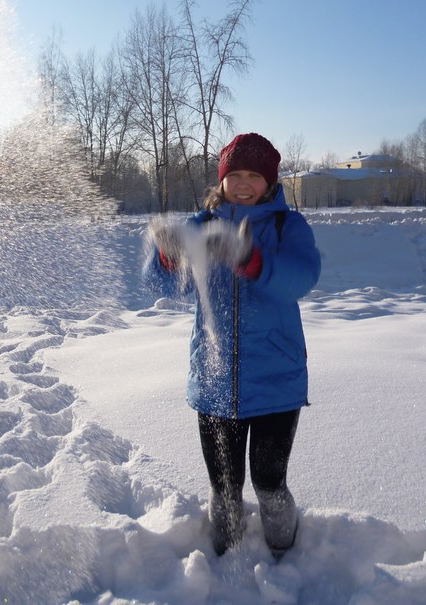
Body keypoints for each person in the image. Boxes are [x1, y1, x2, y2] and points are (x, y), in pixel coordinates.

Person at [143, 132, 321, 558]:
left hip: (277, 380)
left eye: (254, 175)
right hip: (215, 379)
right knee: (224, 486)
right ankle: (226, 556)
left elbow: (302, 277)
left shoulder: (286, 226)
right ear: (221, 180)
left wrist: (250, 260)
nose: (243, 183)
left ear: (271, 182)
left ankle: (285, 552)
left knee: (269, 482)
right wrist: (168, 255)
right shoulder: (200, 226)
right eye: (235, 174)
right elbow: (160, 283)